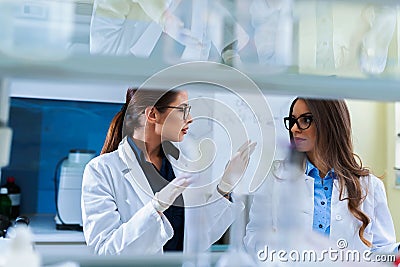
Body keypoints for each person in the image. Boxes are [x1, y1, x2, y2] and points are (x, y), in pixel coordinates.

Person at [82, 87, 256, 255]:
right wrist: (156, 207)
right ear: (152, 114)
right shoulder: (102, 170)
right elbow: (104, 252)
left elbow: (197, 237)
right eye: (182, 110)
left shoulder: (180, 164)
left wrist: (225, 186)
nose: (190, 118)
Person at [244, 98, 399, 257]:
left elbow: (381, 251)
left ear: (330, 123)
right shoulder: (276, 178)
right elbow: (254, 235)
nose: (294, 128)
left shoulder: (370, 186)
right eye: (292, 120)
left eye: (305, 120)